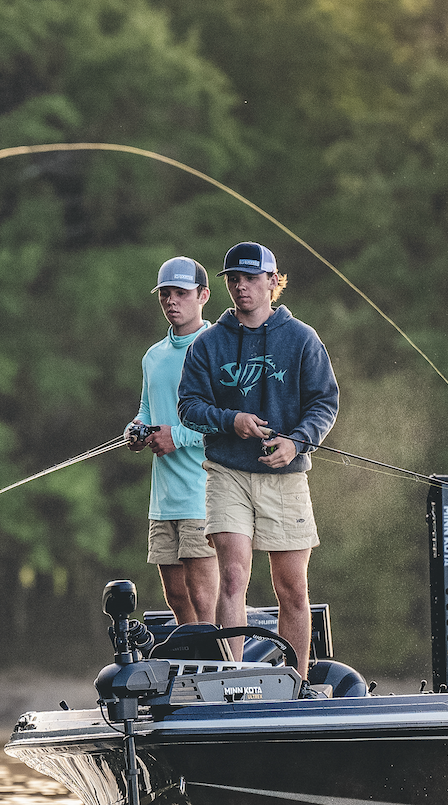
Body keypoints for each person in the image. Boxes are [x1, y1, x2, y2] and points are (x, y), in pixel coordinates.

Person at [177, 241, 339, 687]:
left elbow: (325, 402)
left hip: (285, 477)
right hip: (226, 473)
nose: (241, 287)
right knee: (232, 578)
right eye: (233, 279)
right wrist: (231, 420)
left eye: (250, 278)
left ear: (272, 281)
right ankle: (234, 682)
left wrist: (297, 443)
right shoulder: (208, 344)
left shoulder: (302, 338)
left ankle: (296, 686)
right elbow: (188, 407)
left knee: (293, 588)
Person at [128, 256, 219, 626]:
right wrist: (136, 429)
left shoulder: (217, 349)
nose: (171, 301)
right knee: (177, 597)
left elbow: (227, 422)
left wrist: (176, 437)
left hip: (203, 495)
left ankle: (219, 662)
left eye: (181, 293)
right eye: (165, 294)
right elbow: (147, 409)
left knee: (204, 597)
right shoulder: (153, 356)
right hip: (163, 501)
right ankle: (196, 660)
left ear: (203, 296)